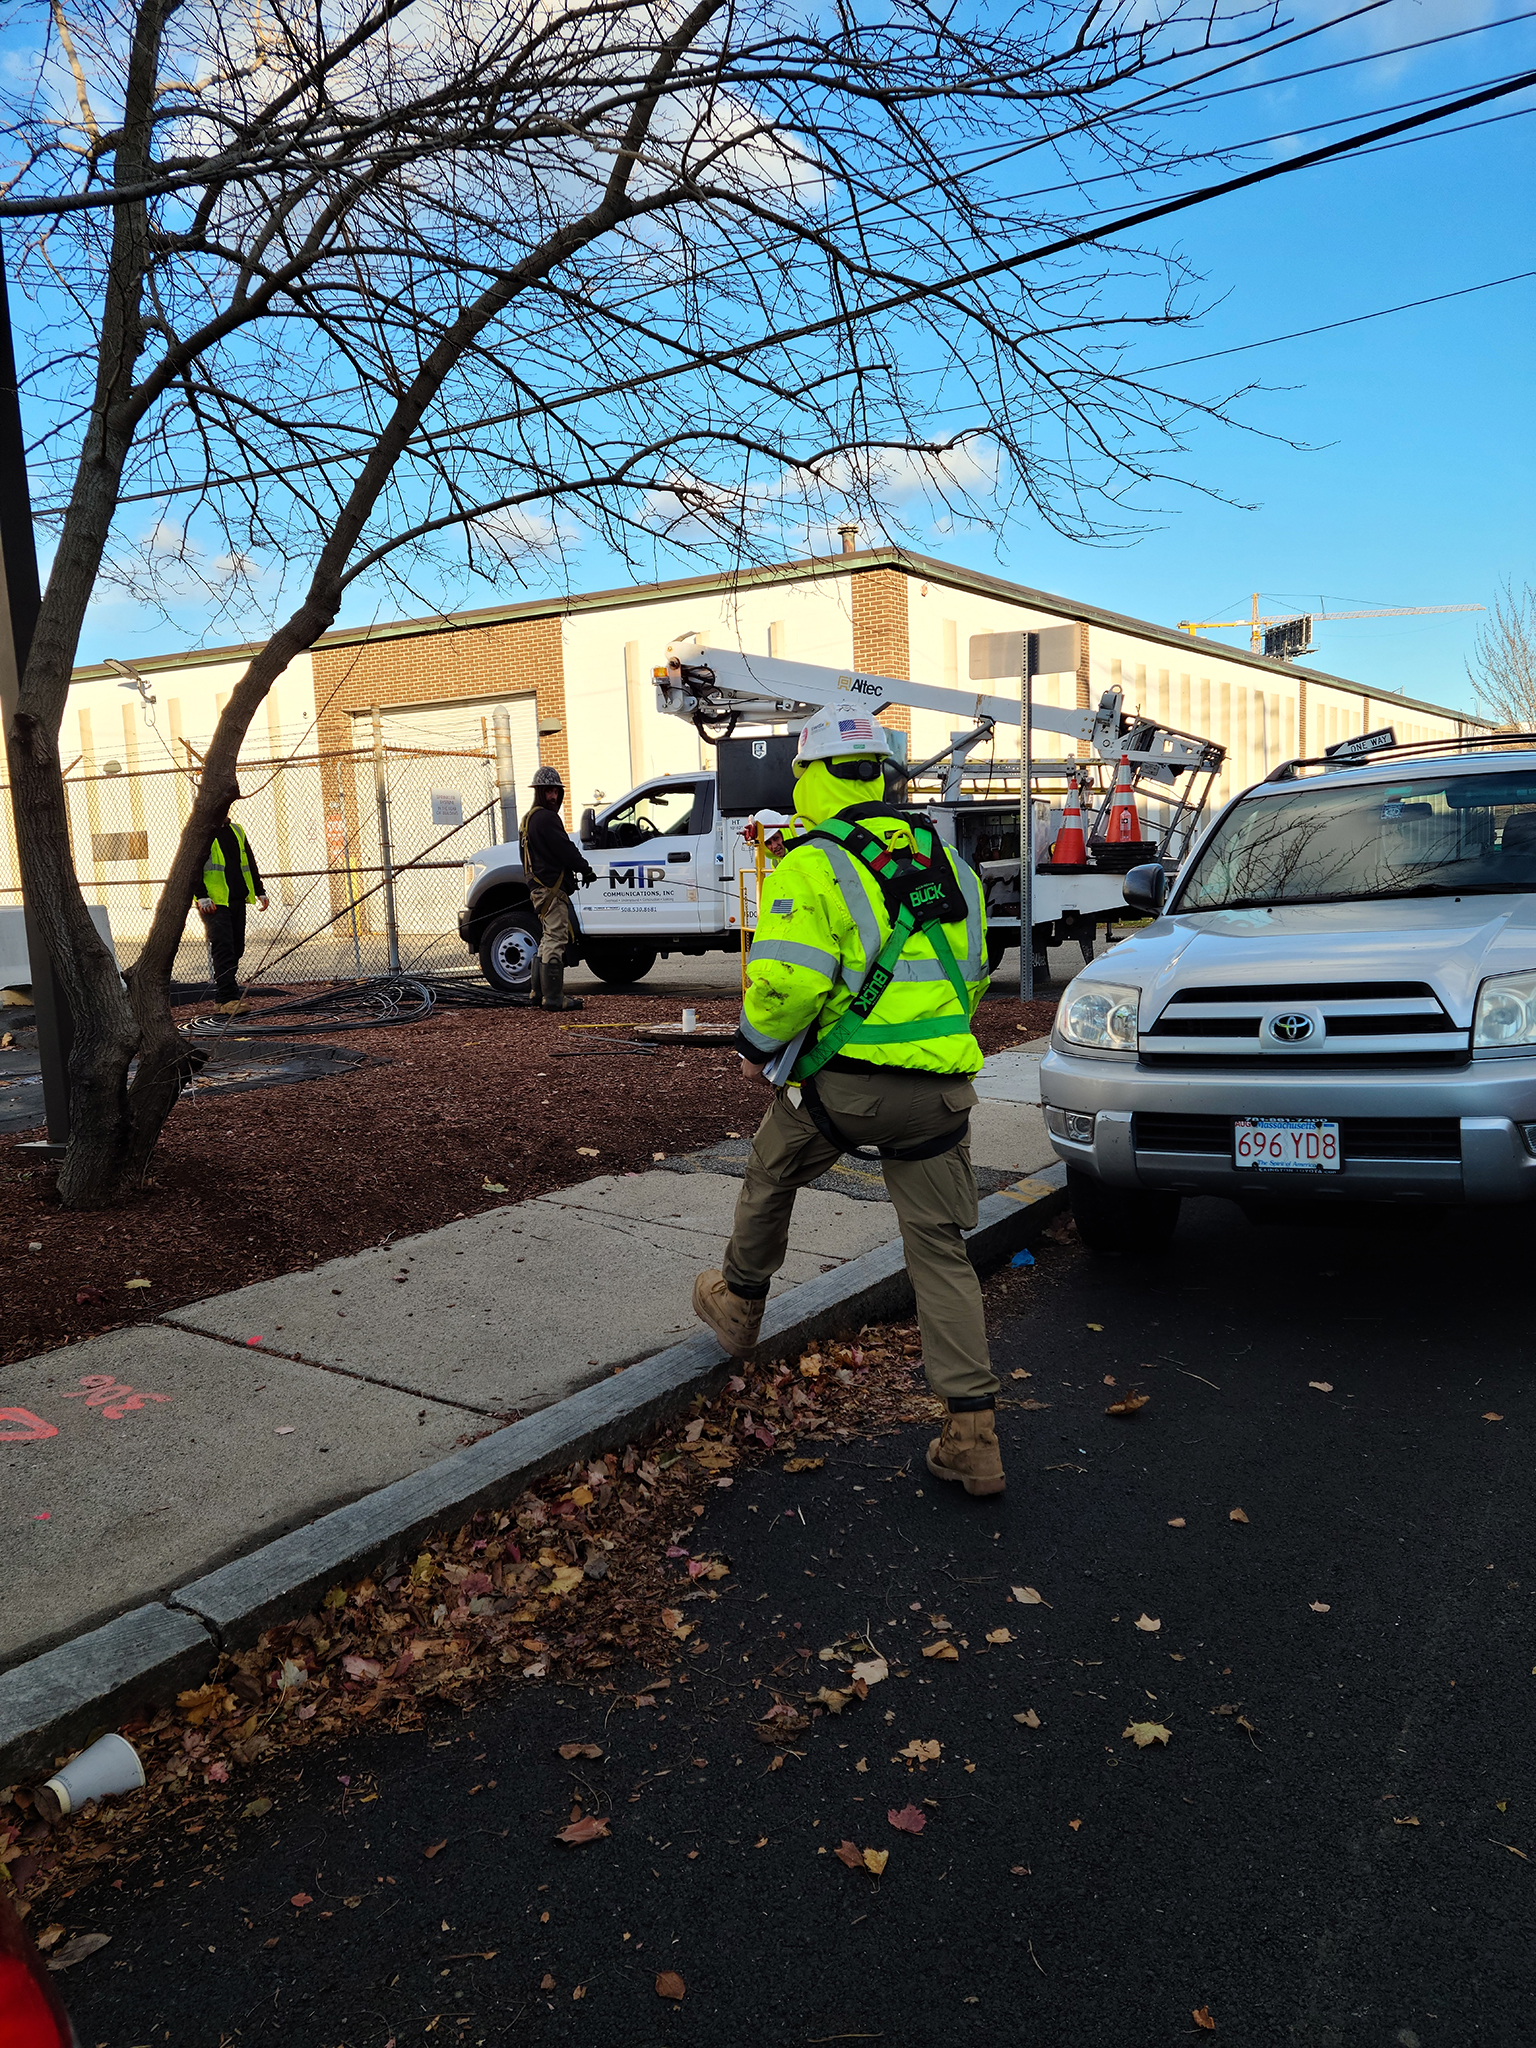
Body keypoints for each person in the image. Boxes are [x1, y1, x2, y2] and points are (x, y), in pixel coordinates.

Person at [692, 698, 1005, 1497]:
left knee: (770, 1171)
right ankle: (972, 1438)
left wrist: (754, 1048)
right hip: (940, 1093)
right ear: (882, 776)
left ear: (811, 775)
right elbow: (975, 971)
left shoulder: (811, 862)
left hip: (843, 1091)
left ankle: (739, 1307)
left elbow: (789, 985)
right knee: (939, 1251)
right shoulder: (947, 861)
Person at [520, 763, 598, 1011]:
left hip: (538, 888)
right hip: (551, 889)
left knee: (547, 938)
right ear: (539, 793)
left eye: (556, 791)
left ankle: (538, 993)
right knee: (556, 937)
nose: (553, 796)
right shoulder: (547, 818)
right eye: (548, 791)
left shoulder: (528, 819)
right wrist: (585, 869)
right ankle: (554, 998)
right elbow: (565, 848)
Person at [195, 791, 268, 1016]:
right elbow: (192, 867)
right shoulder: (201, 833)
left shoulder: (236, 830)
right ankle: (228, 998)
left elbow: (249, 862)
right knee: (224, 948)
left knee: (237, 948)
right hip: (214, 903)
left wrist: (259, 890)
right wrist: (201, 896)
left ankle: (223, 997)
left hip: (236, 898)